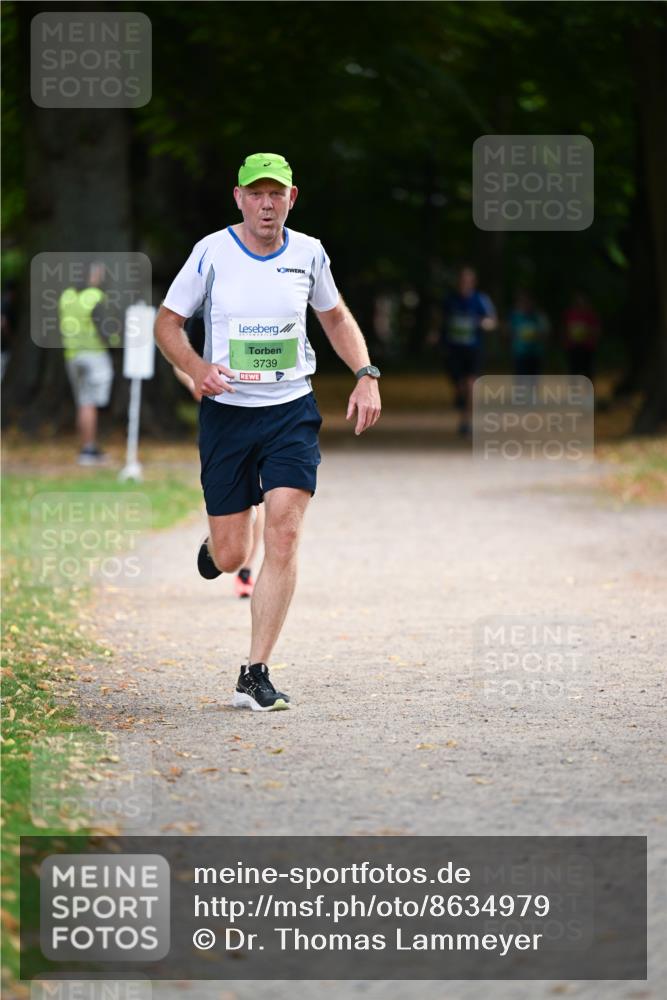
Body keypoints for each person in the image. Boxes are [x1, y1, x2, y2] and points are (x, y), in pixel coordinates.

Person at [154, 153, 381, 711]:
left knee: (282, 530)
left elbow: (334, 316)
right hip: (229, 414)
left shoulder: (308, 253)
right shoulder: (211, 252)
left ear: (292, 198)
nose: (266, 203)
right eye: (256, 193)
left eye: (275, 193)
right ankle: (218, 546)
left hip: (290, 409)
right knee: (234, 554)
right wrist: (196, 368)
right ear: (238, 198)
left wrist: (366, 373)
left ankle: (255, 671)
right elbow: (168, 324)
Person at [173, 310, 265, 599]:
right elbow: (180, 353)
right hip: (221, 415)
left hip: (267, 410)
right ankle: (222, 541)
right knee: (230, 496)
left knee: (261, 498)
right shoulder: (204, 308)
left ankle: (247, 571)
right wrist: (194, 380)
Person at [59, 262, 115, 465]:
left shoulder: (67, 295)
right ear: (90, 276)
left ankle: (86, 445)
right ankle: (89, 449)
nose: (100, 278)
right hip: (94, 355)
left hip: (72, 355)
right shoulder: (95, 296)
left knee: (83, 402)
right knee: (91, 403)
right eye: (98, 274)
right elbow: (105, 327)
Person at [441, 266, 496, 435]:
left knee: (471, 384)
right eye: (462, 280)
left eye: (468, 280)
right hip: (454, 349)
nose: (464, 283)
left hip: (474, 349)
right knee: (460, 386)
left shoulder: (480, 299)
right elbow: (441, 320)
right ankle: (461, 397)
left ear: (473, 282)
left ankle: (466, 421)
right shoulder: (450, 300)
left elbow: (492, 321)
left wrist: (483, 323)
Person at [508, 289, 550, 390]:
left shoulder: (539, 316)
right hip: (519, 353)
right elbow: (508, 332)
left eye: (527, 301)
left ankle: (532, 399)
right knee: (520, 378)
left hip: (535, 353)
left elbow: (546, 332)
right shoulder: (515, 316)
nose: (525, 303)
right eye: (522, 301)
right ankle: (520, 399)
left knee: (534, 379)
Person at [563, 291, 601, 382]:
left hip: (587, 348)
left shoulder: (591, 315)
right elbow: (564, 330)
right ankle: (574, 393)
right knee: (573, 371)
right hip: (573, 347)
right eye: (578, 302)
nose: (581, 304)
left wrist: (587, 332)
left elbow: (597, 331)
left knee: (588, 371)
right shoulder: (570, 314)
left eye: (583, 301)